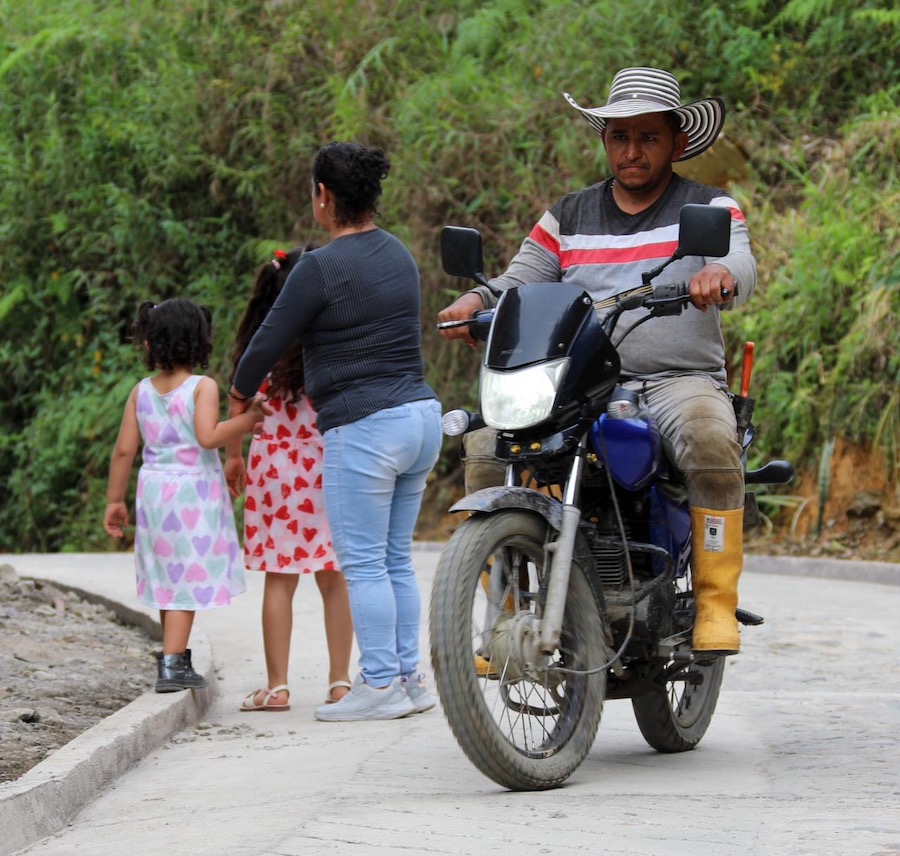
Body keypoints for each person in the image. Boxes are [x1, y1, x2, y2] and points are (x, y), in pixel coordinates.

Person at [437, 67, 757, 657]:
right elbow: (520, 279)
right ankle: (506, 617)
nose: (632, 151)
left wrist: (719, 275)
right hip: (575, 384)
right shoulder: (568, 214)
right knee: (487, 452)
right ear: (604, 140)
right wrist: (477, 300)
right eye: (619, 136)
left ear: (677, 141)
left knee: (711, 438)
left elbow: (741, 262)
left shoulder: (709, 205)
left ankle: (714, 604)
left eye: (648, 137)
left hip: (673, 381)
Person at [229, 142, 443, 720]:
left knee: (366, 562)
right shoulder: (398, 254)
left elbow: (264, 345)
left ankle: (376, 686)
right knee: (395, 559)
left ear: (324, 197)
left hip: (366, 427)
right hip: (420, 417)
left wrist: (237, 395)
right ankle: (407, 679)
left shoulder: (319, 268)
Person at [104, 298, 264, 692]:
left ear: (152, 343)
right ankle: (172, 663)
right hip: (192, 490)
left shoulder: (140, 392)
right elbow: (208, 435)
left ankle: (175, 654)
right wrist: (248, 420)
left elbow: (125, 451)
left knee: (168, 575)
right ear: (198, 341)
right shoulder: (201, 387)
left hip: (155, 490)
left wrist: (115, 500)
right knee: (186, 578)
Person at [225, 245, 354, 712]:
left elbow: (238, 404)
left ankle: (277, 687)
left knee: (279, 581)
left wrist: (234, 457)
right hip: (325, 464)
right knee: (334, 576)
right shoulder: (327, 337)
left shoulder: (261, 344)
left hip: (275, 470)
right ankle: (340, 682)